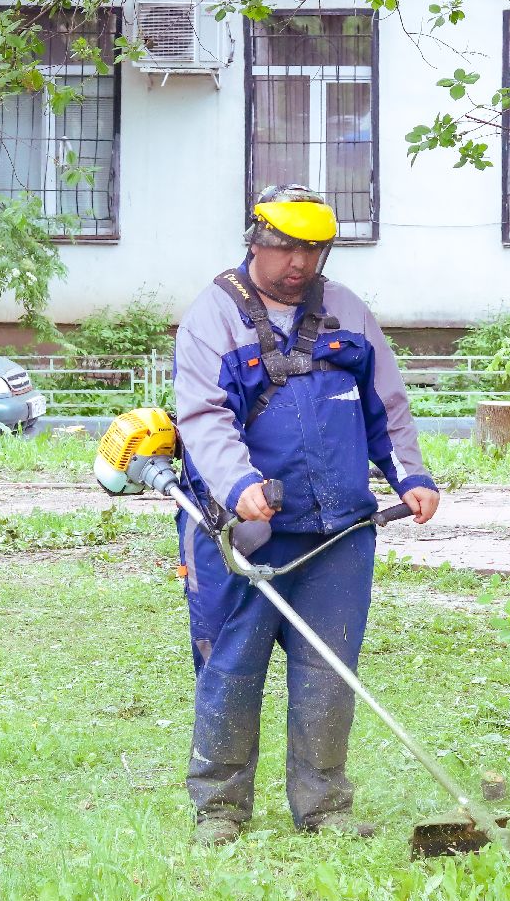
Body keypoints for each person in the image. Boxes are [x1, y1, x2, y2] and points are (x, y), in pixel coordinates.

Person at [173, 185, 441, 847]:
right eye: (286, 247)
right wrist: (238, 485)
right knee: (231, 666)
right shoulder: (212, 318)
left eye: (313, 249)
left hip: (339, 531)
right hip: (246, 533)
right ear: (256, 242)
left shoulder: (348, 311)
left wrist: (408, 474)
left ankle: (324, 807)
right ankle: (220, 808)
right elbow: (204, 417)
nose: (299, 262)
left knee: (329, 669)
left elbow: (386, 403)